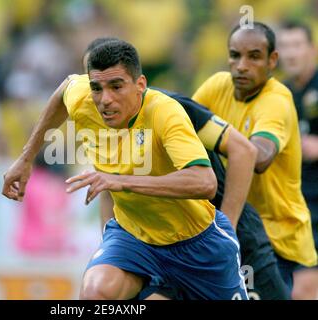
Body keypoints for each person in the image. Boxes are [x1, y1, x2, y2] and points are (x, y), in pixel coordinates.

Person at [2, 39, 248, 300]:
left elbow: (205, 182)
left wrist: (121, 181)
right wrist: (26, 159)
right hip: (134, 238)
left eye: (117, 86)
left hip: (198, 245)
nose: (105, 99)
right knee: (96, 292)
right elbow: (64, 91)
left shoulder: (165, 112)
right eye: (97, 88)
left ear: (140, 84)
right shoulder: (84, 97)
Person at [83, 37, 289, 299]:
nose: (102, 96)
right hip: (161, 245)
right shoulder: (103, 119)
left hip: (219, 234)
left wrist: (229, 227)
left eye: (113, 84)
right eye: (92, 84)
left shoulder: (170, 108)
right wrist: (111, 245)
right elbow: (109, 185)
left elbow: (244, 151)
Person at [193, 22, 318, 294]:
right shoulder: (216, 85)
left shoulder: (277, 99)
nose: (241, 65)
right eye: (235, 55)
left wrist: (224, 142)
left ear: (273, 60)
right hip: (237, 228)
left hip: (277, 235)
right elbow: (184, 128)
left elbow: (258, 157)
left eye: (254, 56)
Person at [278, 20, 318, 299]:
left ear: (312, 49)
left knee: (304, 288)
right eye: (285, 47)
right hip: (293, 206)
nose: (291, 53)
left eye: (297, 45)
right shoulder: (279, 94)